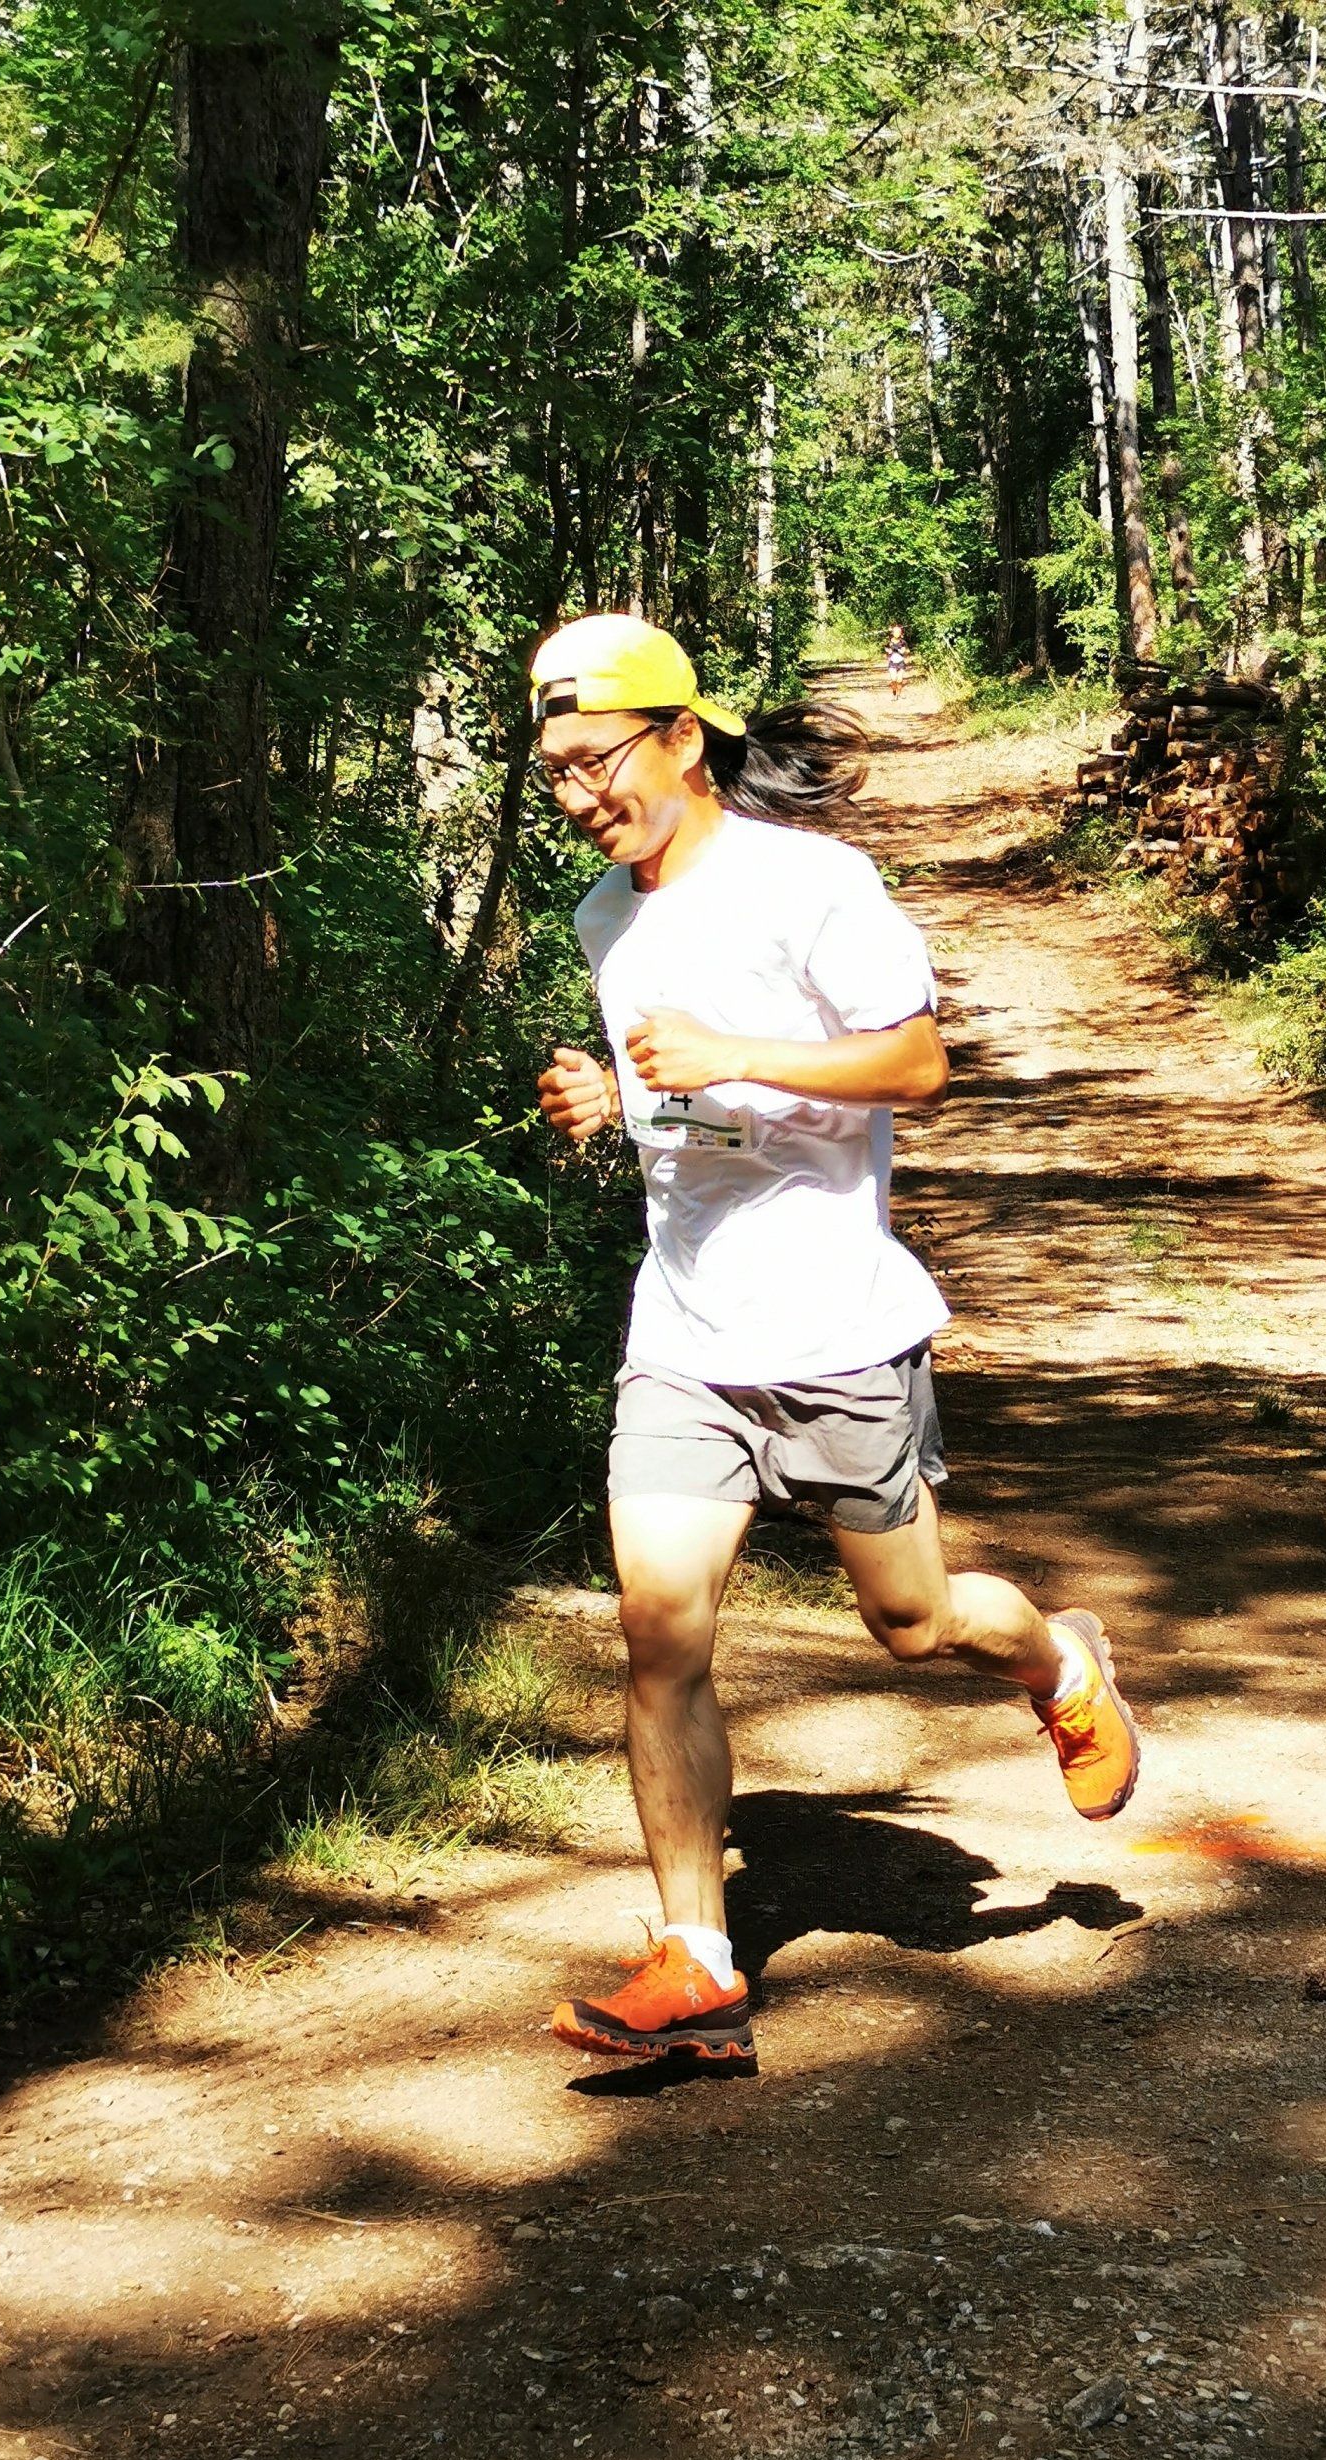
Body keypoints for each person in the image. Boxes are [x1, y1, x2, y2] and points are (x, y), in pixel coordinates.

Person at [532, 613, 1138, 2070]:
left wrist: (735, 1051)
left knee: (914, 1627)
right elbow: (686, 1111)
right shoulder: (606, 918)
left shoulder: (811, 882)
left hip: (836, 1330)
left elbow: (919, 1064)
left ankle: (1059, 1663)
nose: (581, 795)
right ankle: (697, 1962)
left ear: (683, 737)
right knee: (659, 1631)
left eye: (599, 760)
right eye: (554, 772)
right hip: (685, 1334)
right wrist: (614, 1100)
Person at [885, 622, 911, 699]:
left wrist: (904, 651)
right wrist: (888, 652)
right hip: (892, 663)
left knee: (899, 680)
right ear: (892, 633)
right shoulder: (889, 642)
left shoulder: (903, 642)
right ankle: (894, 694)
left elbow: (907, 651)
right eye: (895, 632)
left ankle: (899, 694)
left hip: (901, 663)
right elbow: (886, 650)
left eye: (899, 632)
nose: (897, 633)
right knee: (893, 679)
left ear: (901, 633)